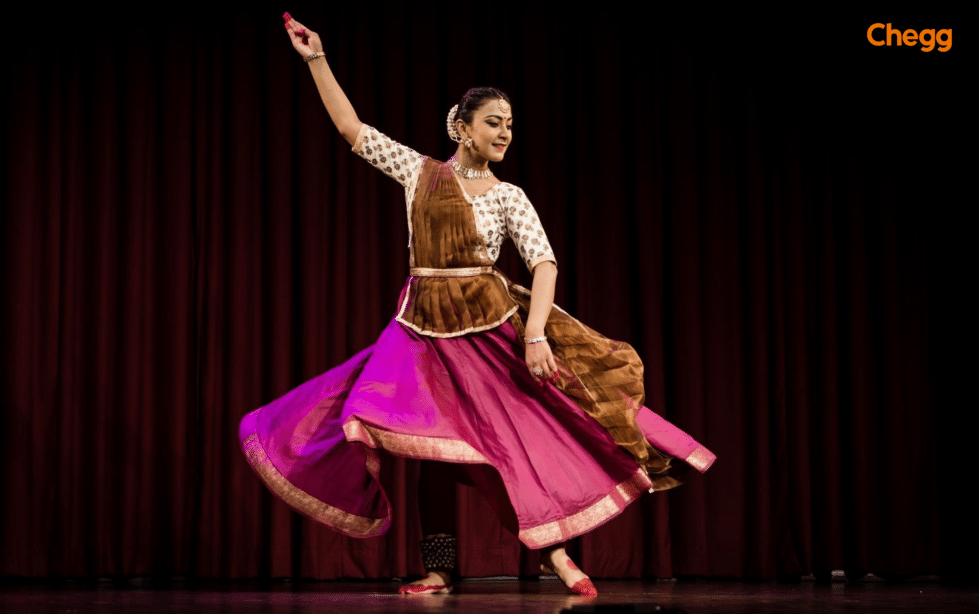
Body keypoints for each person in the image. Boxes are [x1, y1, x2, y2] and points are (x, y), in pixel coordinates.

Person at [237, 13, 716, 597]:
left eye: (511, 124)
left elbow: (543, 263)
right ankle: (440, 568)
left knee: (505, 442)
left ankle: (555, 554)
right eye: (494, 122)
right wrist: (317, 59)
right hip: (420, 332)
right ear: (462, 128)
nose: (506, 132)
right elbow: (351, 129)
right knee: (431, 453)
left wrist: (535, 334)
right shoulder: (420, 175)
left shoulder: (508, 195)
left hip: (486, 330)